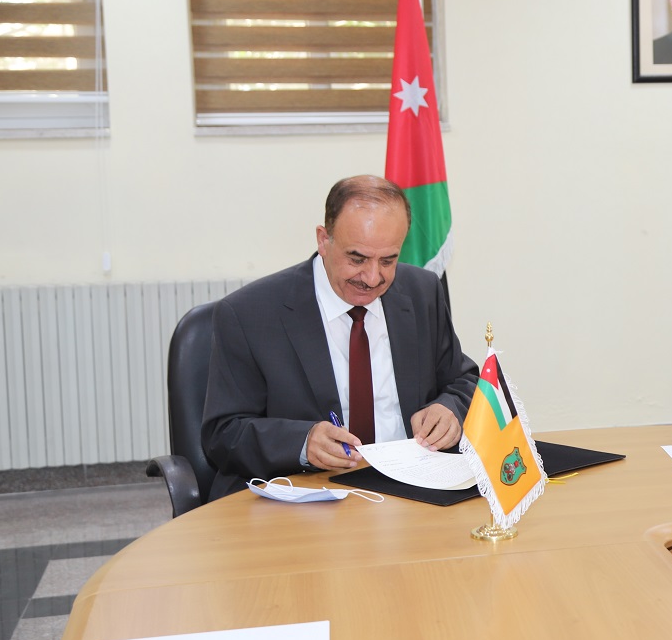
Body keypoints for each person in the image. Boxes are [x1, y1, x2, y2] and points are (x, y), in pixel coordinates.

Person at [201, 174, 478, 500]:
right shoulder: (250, 313)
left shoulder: (422, 292)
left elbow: (464, 381)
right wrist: (302, 442)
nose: (372, 278)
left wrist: (449, 409)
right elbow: (223, 434)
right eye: (357, 259)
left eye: (388, 260)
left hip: (410, 494)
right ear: (323, 240)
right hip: (307, 497)